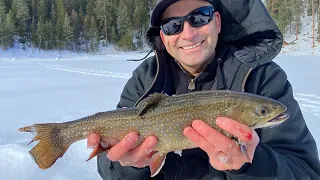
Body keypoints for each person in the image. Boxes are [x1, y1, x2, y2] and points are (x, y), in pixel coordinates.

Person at [87, 0, 320, 179]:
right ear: (163, 36)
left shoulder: (262, 78)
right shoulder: (146, 79)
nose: (188, 33)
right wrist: (128, 166)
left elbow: (305, 172)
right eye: (173, 25)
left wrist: (252, 164)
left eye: (199, 17)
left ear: (217, 21)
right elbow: (109, 170)